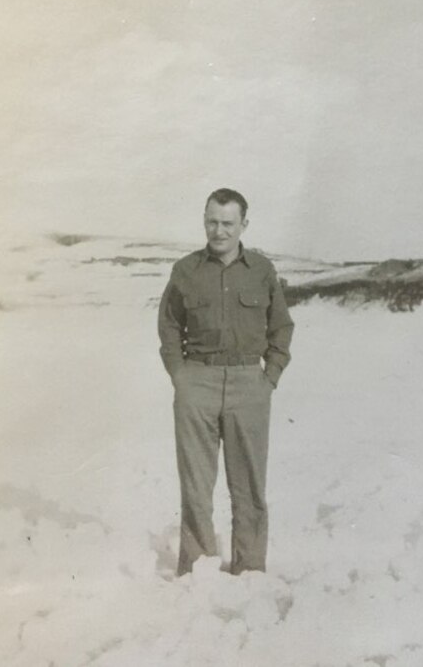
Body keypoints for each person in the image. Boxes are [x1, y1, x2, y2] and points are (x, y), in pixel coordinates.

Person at [158, 188, 294, 576]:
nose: (218, 231)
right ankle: (198, 572)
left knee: (249, 487)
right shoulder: (186, 270)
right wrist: (180, 375)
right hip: (196, 382)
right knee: (196, 487)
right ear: (205, 221)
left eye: (227, 224)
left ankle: (250, 572)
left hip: (249, 384)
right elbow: (169, 326)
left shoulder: (263, 270)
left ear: (243, 226)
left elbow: (281, 327)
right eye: (212, 222)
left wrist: (269, 376)